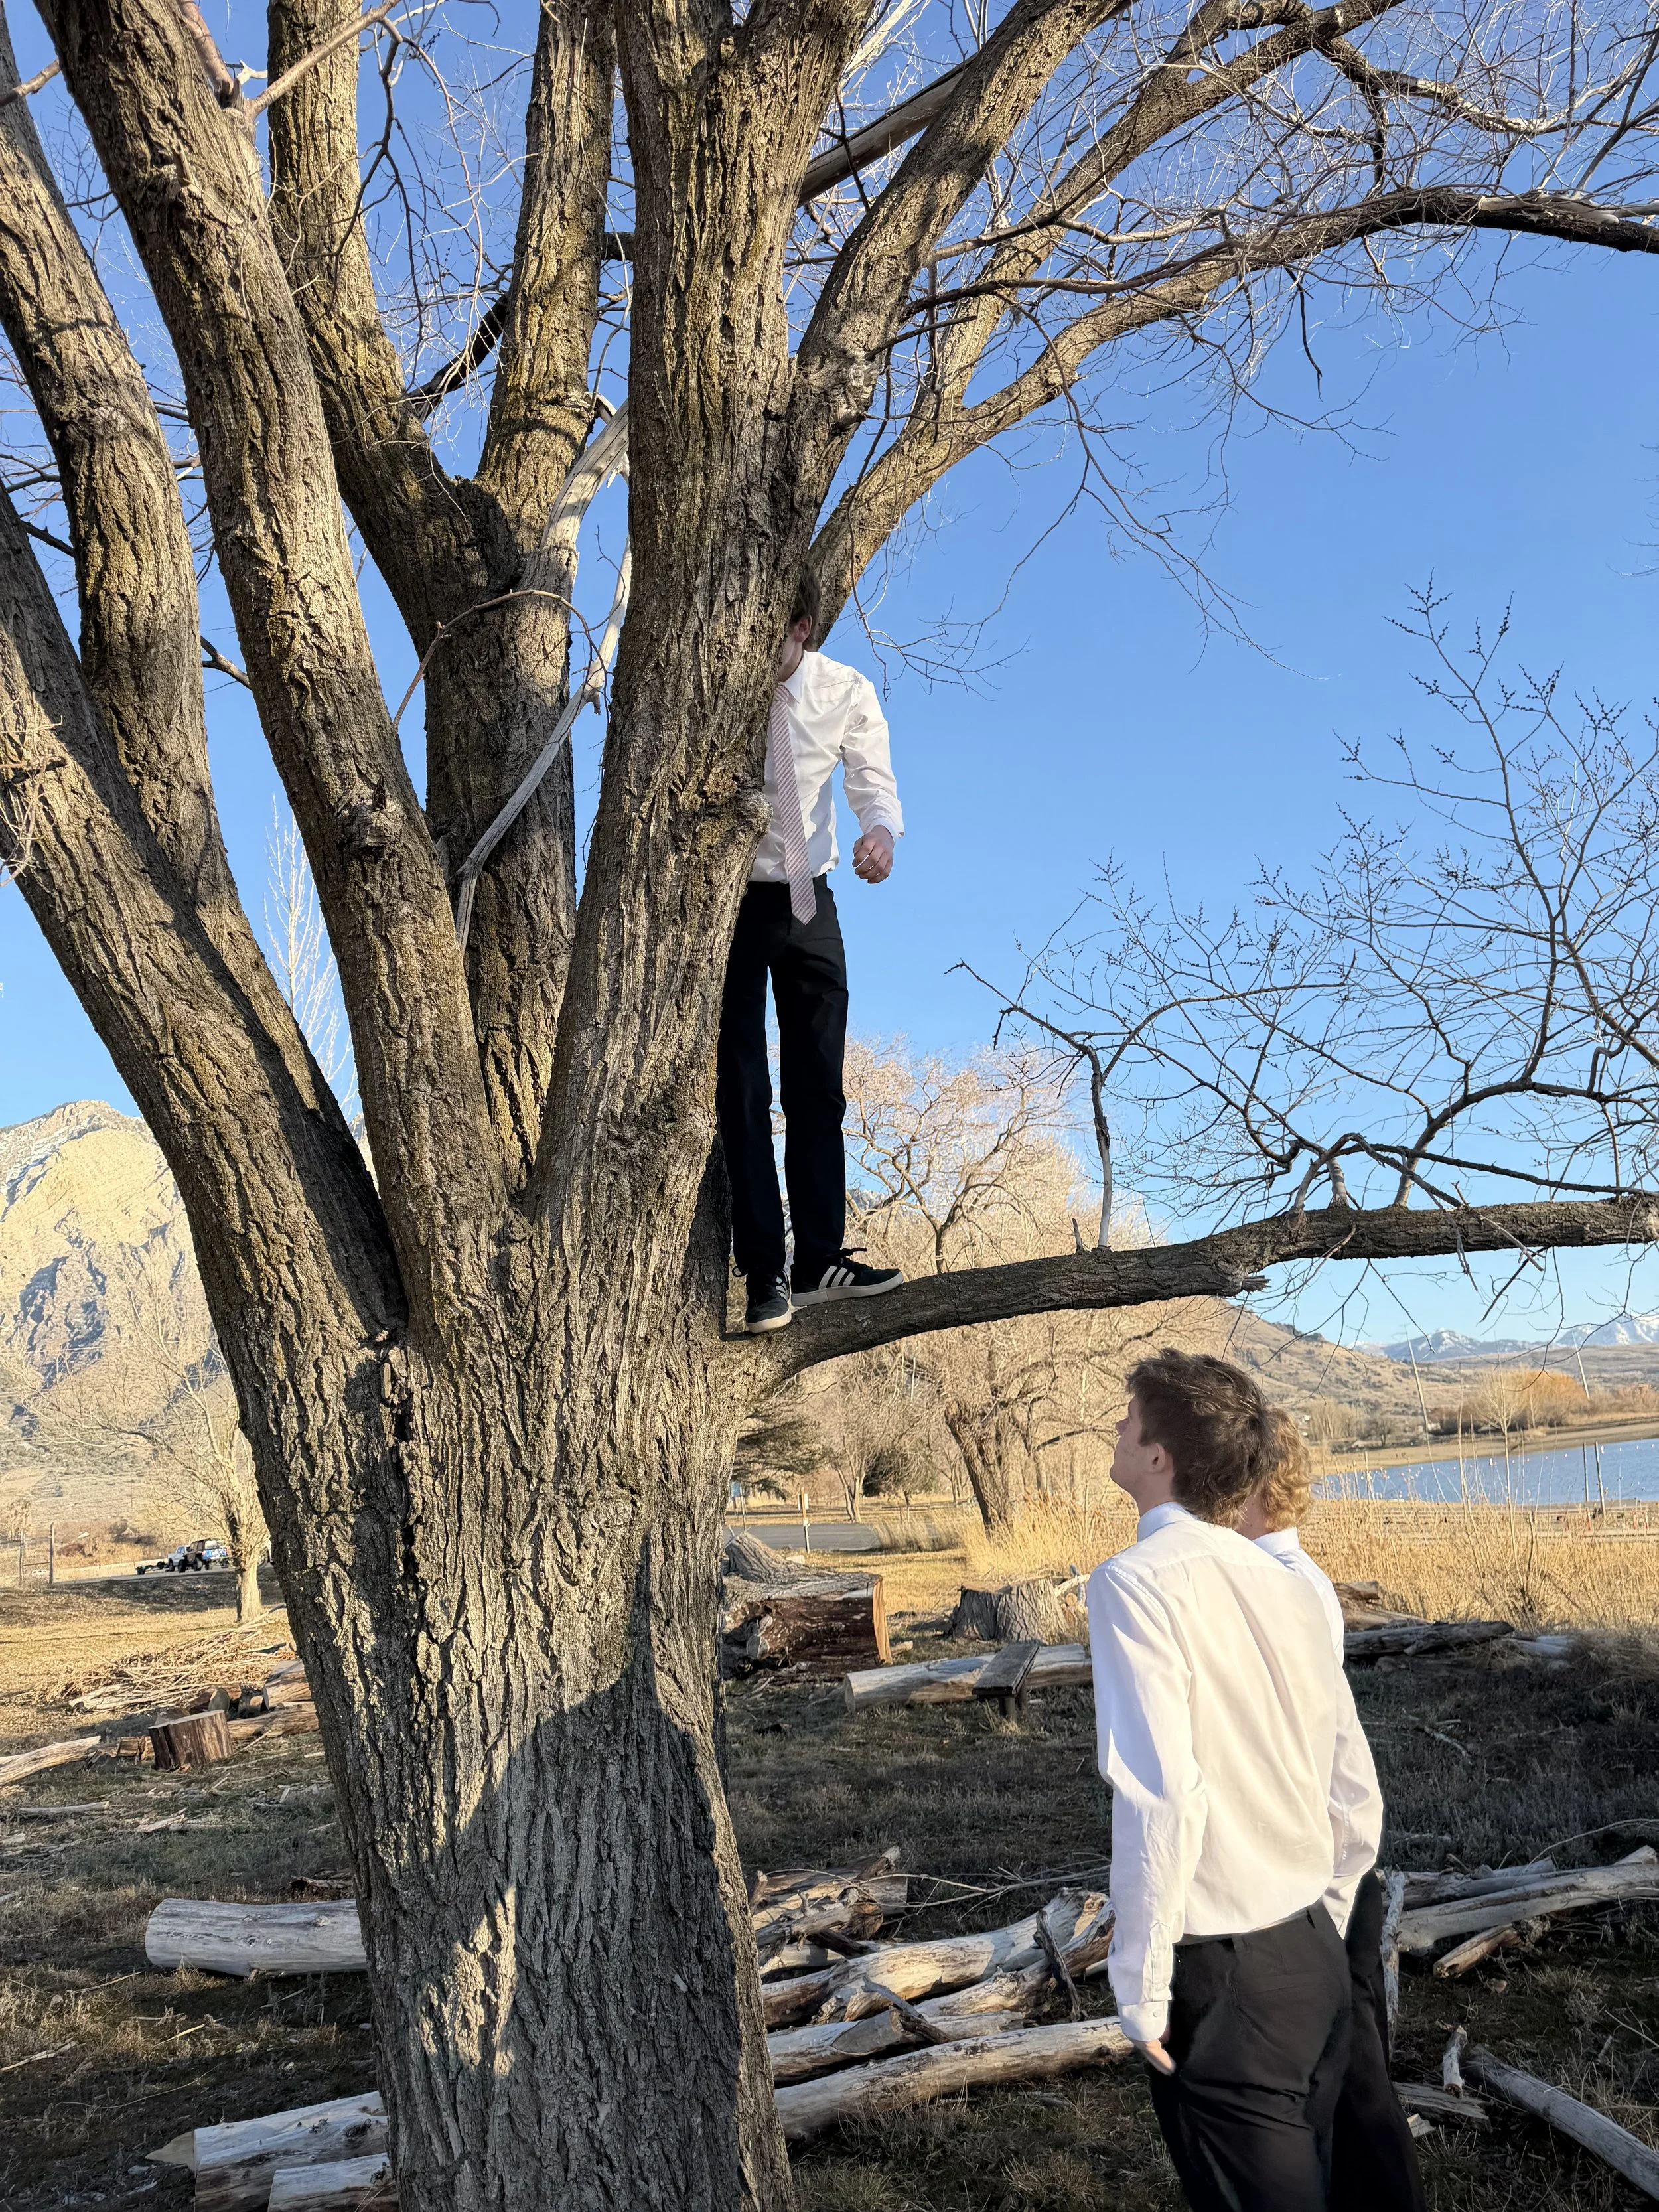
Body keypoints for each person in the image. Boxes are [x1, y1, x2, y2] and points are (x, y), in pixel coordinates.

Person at [1087, 1349, 1384, 2212]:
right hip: (1311, 1952)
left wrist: (1140, 1987)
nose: (1116, 1425)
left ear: (1159, 1457)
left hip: (1225, 1978)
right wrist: (1322, 1921)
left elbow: (1162, 1795)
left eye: (1128, 1415)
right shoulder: (1292, 1584)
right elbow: (1352, 1786)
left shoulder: (1135, 1584)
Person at [1238, 1422, 1427, 2212]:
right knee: (1349, 2070)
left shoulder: (1280, 1585)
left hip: (1324, 1869)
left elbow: (1324, 1757)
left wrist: (1328, 1889)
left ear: (1246, 1484)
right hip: (1328, 1861)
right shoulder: (1277, 1572)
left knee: (1346, 2073)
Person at [717, 570, 906, 1333]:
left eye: (772, 630)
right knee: (740, 1087)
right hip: (724, 902)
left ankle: (819, 1259)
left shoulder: (843, 689)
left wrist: (881, 834)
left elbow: (872, 781)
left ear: (800, 628)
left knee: (818, 1087)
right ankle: (765, 1273)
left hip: (807, 896)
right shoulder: (716, 683)